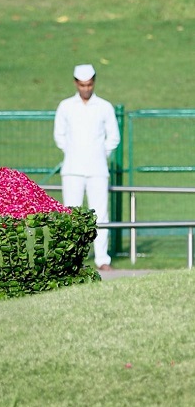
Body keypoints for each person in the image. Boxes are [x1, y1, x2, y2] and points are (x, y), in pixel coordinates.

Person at [54, 64, 121, 271]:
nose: (86, 89)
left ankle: (102, 259)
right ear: (76, 83)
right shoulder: (65, 106)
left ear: (94, 82)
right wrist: (75, 153)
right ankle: (72, 259)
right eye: (82, 85)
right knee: (71, 214)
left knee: (100, 214)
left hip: (98, 170)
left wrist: (99, 154)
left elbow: (114, 138)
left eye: (89, 84)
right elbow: (59, 136)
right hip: (72, 169)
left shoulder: (104, 107)